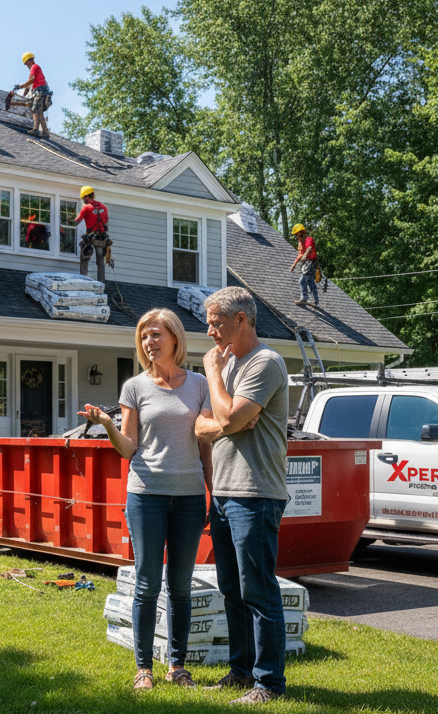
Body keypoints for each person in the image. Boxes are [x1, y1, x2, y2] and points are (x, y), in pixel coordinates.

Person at [79, 309, 213, 692]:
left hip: (188, 498)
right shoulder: (134, 387)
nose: (149, 343)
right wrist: (107, 426)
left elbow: (204, 443)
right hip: (146, 496)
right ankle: (143, 669)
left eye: (156, 335)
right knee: (146, 584)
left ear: (174, 338)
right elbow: (128, 448)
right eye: (144, 337)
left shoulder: (199, 385)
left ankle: (177, 666)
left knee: (182, 586)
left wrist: (212, 491)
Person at [195, 286, 289, 704]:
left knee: (259, 590)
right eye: (209, 323)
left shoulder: (265, 362)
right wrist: (226, 422)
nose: (210, 331)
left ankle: (269, 684)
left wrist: (214, 378)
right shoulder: (230, 362)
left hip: (256, 493)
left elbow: (229, 415)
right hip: (223, 490)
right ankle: (240, 672)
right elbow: (204, 424)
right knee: (232, 588)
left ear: (242, 320)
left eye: (217, 322)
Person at [73, 185, 110, 282]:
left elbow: (78, 221)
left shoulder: (86, 208)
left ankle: (82, 280)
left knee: (84, 258)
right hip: (101, 238)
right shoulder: (103, 207)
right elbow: (105, 221)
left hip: (90, 237)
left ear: (86, 197)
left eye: (84, 197)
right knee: (100, 261)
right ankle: (101, 283)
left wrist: (68, 220)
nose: (84, 200)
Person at [15, 51, 51, 138]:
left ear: (29, 61)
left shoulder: (35, 67)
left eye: (26, 63)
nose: (26, 65)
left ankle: (35, 129)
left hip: (40, 91)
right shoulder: (33, 70)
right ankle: (45, 131)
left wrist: (20, 86)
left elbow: (32, 80)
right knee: (39, 111)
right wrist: (24, 94)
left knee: (35, 109)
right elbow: (29, 84)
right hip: (40, 91)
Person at [288, 223, 319, 309]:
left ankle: (304, 299)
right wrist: (293, 265)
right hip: (310, 263)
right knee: (310, 282)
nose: (298, 238)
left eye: (298, 235)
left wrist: (305, 255)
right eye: (296, 236)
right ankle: (315, 301)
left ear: (302, 233)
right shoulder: (302, 243)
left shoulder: (308, 239)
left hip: (310, 262)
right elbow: (300, 255)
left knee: (302, 280)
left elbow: (309, 249)